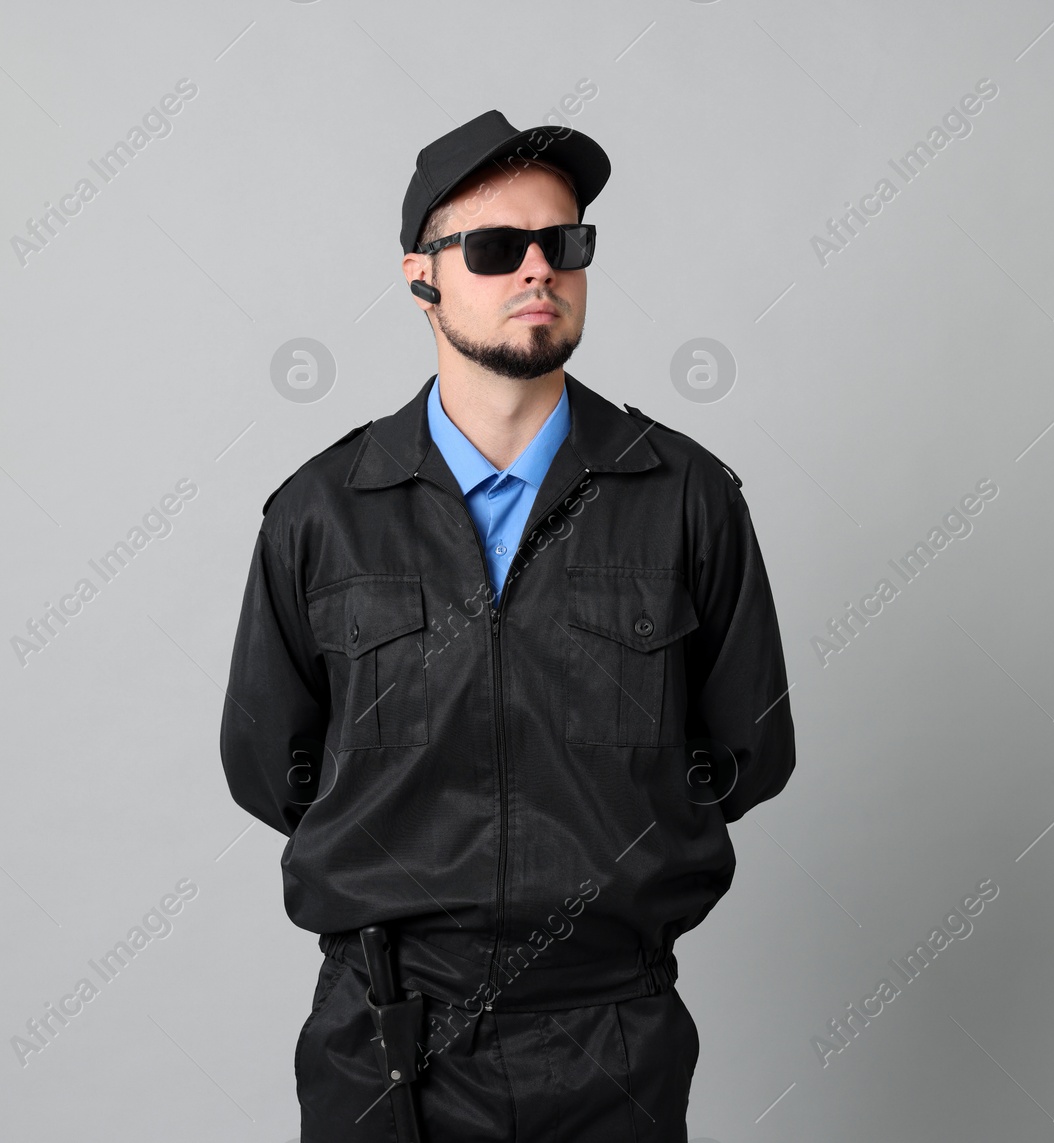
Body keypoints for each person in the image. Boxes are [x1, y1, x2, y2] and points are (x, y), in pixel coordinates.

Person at [220, 108, 796, 1142]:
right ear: (420, 273)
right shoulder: (322, 512)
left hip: (613, 1036)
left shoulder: (684, 498)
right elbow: (271, 767)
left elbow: (749, 750)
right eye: (495, 248)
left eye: (562, 244)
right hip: (389, 1044)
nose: (539, 269)